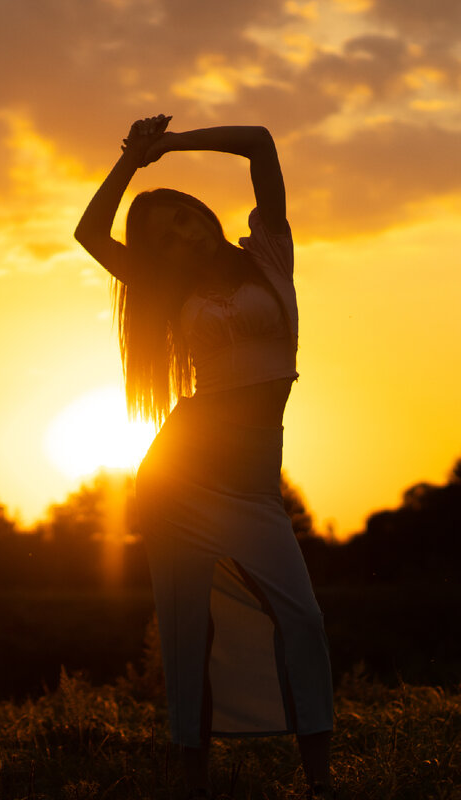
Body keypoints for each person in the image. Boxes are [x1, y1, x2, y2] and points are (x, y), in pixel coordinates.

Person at [74, 115, 335, 799]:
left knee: (302, 619)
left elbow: (260, 143)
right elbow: (88, 234)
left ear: (206, 217)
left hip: (251, 485)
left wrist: (168, 147)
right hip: (178, 478)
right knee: (189, 634)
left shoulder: (269, 256)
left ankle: (322, 781)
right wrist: (128, 165)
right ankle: (190, 777)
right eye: (167, 235)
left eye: (188, 219)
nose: (185, 235)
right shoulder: (166, 292)